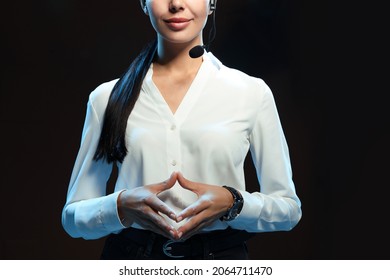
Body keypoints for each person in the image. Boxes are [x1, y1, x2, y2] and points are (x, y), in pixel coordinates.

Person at [62, 0, 302, 260]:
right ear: (143, 3)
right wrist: (121, 205)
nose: (176, 4)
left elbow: (288, 210)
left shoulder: (252, 93)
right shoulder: (106, 98)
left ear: (212, 3)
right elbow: (73, 219)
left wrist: (234, 202)